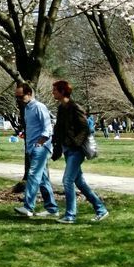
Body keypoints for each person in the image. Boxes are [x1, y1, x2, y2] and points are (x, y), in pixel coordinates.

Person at [52, 80, 109, 224]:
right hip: (67, 149)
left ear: (63, 91)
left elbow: (85, 128)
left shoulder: (75, 107)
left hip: (76, 150)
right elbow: (58, 129)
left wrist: (76, 143)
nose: (52, 92)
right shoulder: (61, 108)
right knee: (79, 182)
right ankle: (100, 209)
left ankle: (70, 215)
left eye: (55, 90)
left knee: (67, 180)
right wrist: (56, 144)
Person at [13, 83, 60, 219]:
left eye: (20, 97)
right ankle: (52, 208)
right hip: (31, 147)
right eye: (16, 97)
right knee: (43, 179)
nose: (18, 100)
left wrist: (39, 143)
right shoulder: (27, 109)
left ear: (29, 94)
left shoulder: (40, 107)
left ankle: (28, 207)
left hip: (40, 147)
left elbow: (47, 128)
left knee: (33, 175)